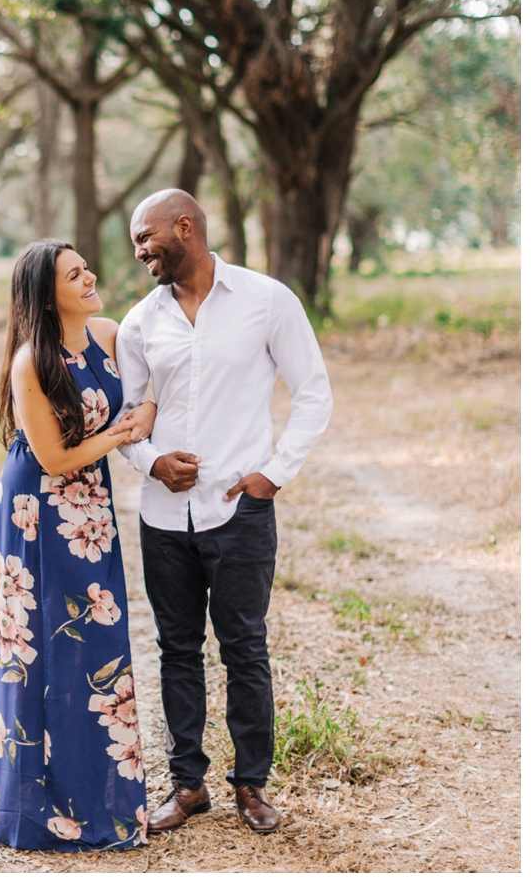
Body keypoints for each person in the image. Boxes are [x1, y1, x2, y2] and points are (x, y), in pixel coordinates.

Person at [115, 190, 333, 835]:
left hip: (240, 511)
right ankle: (188, 786)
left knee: (245, 648)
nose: (139, 251)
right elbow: (128, 422)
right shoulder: (138, 323)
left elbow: (314, 393)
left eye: (145, 237)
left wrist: (273, 473)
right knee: (176, 649)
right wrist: (151, 461)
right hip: (162, 517)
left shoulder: (268, 301)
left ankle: (251, 785)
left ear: (185, 227)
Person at [0, 239, 154, 851]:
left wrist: (144, 413)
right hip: (38, 511)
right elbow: (54, 459)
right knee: (40, 650)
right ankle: (37, 809)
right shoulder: (32, 361)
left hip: (90, 510)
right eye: (73, 275)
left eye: (85, 269)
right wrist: (120, 435)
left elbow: (145, 390)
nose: (89, 279)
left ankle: (100, 799)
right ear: (45, 295)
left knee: (95, 642)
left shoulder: (108, 333)